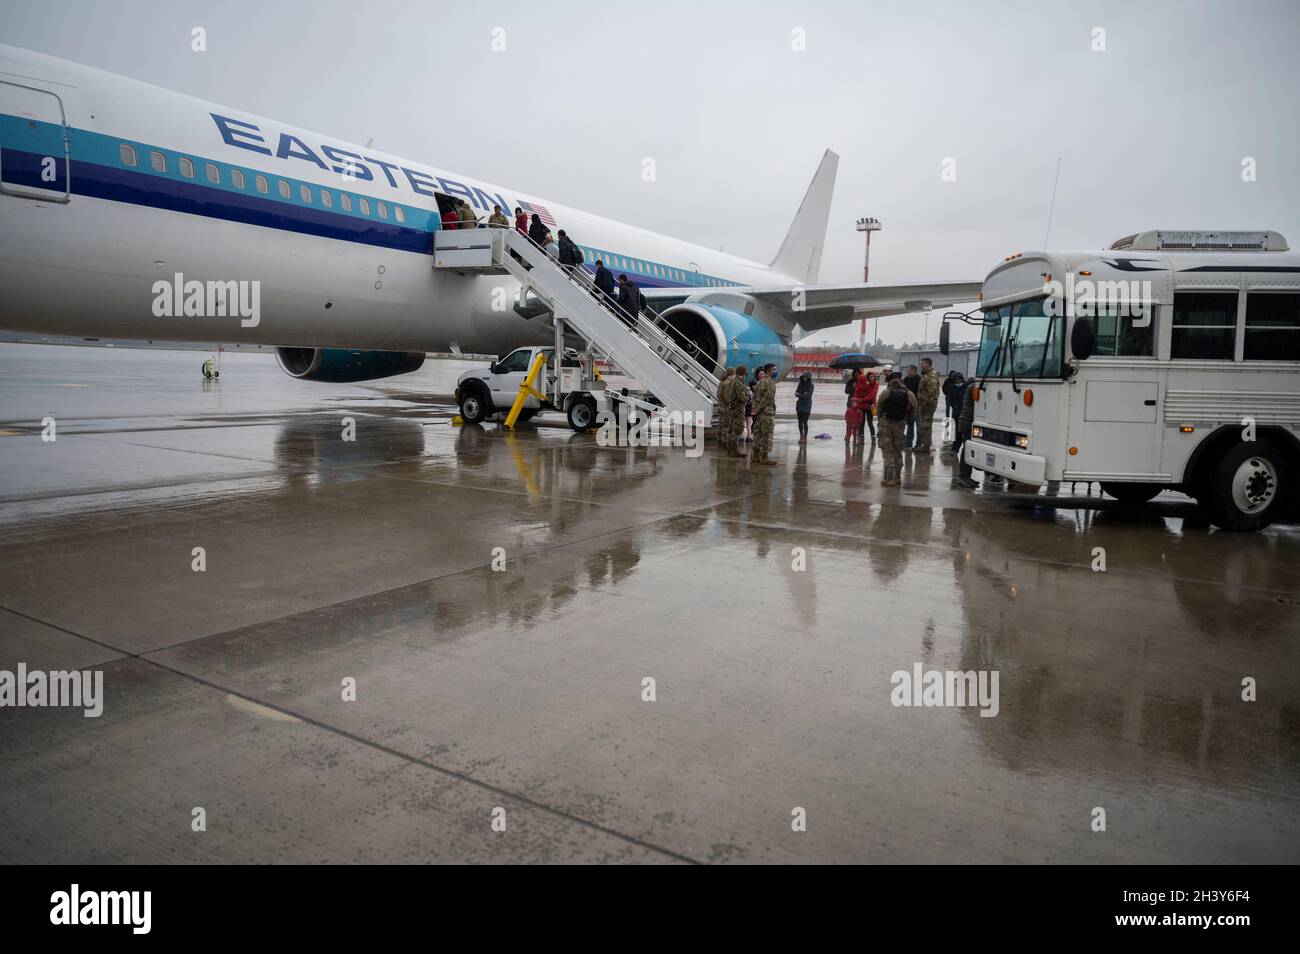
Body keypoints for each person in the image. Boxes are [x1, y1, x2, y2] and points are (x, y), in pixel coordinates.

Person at [877, 374, 916, 486]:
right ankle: (898, 477)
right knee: (898, 450)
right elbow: (914, 409)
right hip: (900, 424)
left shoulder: (886, 392)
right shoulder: (909, 394)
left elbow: (879, 406)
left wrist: (881, 418)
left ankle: (889, 478)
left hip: (886, 424)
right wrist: (905, 418)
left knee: (887, 449)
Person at [955, 375, 977, 488]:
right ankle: (964, 476)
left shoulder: (970, 387)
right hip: (968, 424)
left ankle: (966, 476)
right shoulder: (973, 388)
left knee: (968, 449)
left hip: (967, 423)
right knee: (967, 450)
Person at [752, 368, 777, 464]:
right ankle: (764, 457)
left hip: (759, 414)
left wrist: (755, 409)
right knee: (767, 435)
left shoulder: (760, 382)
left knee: (758, 434)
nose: (775, 371)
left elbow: (755, 397)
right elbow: (767, 398)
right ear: (768, 371)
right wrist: (758, 409)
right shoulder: (770, 383)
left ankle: (755, 456)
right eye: (774, 369)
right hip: (767, 412)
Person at [916, 357, 941, 451]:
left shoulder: (931, 375)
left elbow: (932, 391)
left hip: (928, 404)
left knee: (925, 425)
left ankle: (926, 446)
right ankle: (926, 444)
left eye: (922, 363)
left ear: (927, 364)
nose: (921, 365)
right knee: (925, 424)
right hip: (925, 402)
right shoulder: (926, 375)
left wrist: (925, 402)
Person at [726, 365, 749, 455]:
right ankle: (734, 450)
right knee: (737, 430)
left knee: (731, 430)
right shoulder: (738, 383)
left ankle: (730, 450)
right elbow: (741, 397)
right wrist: (748, 397)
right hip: (738, 409)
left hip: (732, 408)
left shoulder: (732, 382)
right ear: (743, 373)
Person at [853, 369, 879, 443]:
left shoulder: (876, 384)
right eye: (870, 376)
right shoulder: (863, 383)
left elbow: (872, 395)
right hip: (861, 406)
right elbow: (857, 392)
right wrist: (864, 385)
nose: (872, 378)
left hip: (870, 405)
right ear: (867, 377)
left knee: (870, 422)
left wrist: (862, 399)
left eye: (873, 376)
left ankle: (873, 438)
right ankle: (861, 438)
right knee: (861, 422)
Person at [902, 365, 921, 448]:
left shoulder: (919, 379)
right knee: (910, 426)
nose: (907, 372)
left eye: (908, 370)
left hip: (918, 405)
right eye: (907, 370)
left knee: (919, 426)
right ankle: (908, 444)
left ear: (914, 370)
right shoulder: (905, 379)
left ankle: (919, 444)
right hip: (909, 406)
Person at [794, 372, 814, 443]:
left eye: (806, 377)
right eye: (803, 377)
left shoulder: (811, 385)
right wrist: (801, 394)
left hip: (807, 405)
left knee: (804, 421)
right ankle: (801, 436)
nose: (804, 379)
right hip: (799, 405)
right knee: (799, 421)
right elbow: (796, 393)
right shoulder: (800, 384)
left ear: (809, 378)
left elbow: (807, 396)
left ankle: (805, 437)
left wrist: (800, 395)